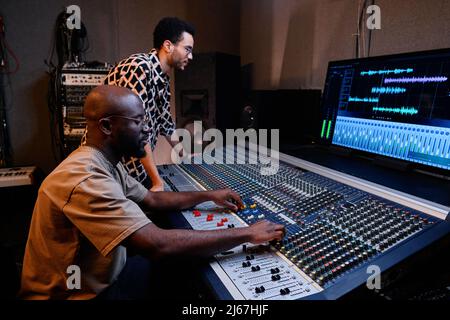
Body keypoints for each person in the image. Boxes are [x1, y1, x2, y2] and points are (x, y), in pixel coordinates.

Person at [20, 85, 285, 300]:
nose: (148, 129)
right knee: (189, 275)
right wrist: (248, 233)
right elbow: (158, 244)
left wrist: (208, 195)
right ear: (106, 127)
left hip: (110, 278)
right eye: (137, 121)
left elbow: (152, 198)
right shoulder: (84, 178)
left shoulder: (104, 162)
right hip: (79, 296)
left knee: (189, 271)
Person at [100, 16, 195, 191]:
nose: (191, 56)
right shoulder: (139, 68)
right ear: (168, 46)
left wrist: (186, 156)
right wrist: (157, 181)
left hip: (134, 174)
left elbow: (166, 125)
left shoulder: (163, 80)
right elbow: (136, 129)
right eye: (187, 49)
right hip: (111, 173)